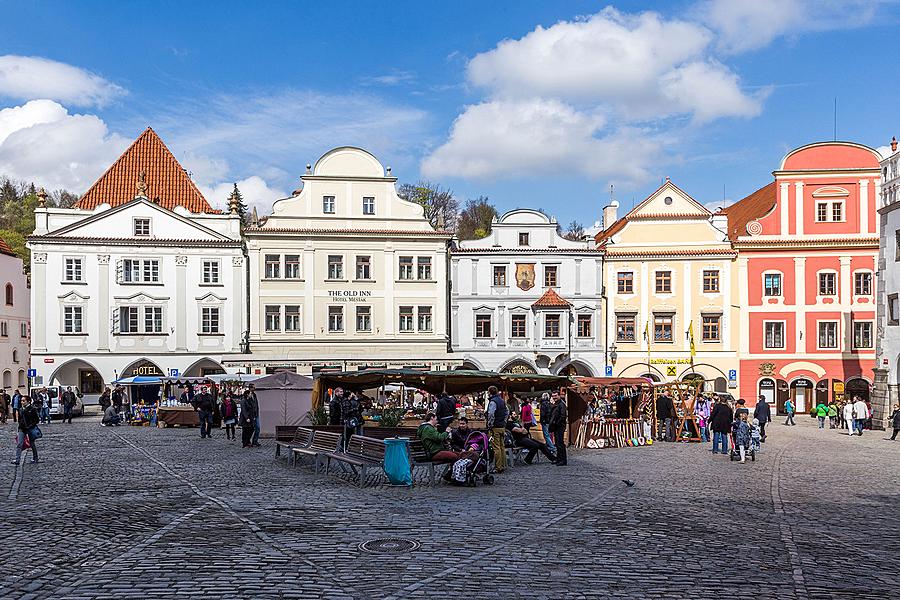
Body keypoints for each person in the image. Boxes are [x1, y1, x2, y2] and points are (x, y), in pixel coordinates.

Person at [486, 386, 508, 473]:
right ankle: (503, 465)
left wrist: (490, 424)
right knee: (502, 447)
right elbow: (507, 412)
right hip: (502, 426)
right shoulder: (502, 400)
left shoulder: (493, 401)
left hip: (495, 427)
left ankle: (498, 467)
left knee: (496, 448)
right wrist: (504, 422)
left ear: (490, 392)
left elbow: (491, 414)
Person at [11, 397, 40, 464]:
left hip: (30, 428)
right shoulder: (20, 409)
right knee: (19, 444)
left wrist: (30, 425)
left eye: (23, 401)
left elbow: (36, 420)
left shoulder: (32, 409)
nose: (22, 402)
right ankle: (17, 460)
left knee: (32, 444)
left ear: (28, 401)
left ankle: (35, 458)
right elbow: (20, 419)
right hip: (22, 428)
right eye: (21, 401)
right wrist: (20, 426)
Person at [548, 392, 568, 466]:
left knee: (560, 444)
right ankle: (559, 459)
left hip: (560, 426)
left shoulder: (561, 404)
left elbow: (563, 416)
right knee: (557, 443)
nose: (554, 397)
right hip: (556, 426)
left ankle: (563, 460)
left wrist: (556, 423)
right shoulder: (556, 404)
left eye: (556, 396)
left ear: (559, 396)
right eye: (553, 396)